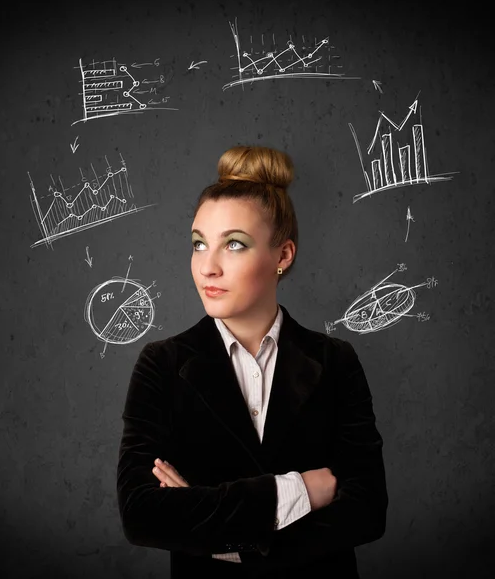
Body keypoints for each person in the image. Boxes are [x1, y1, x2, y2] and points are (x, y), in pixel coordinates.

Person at [116, 145, 388, 578]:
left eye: (234, 245)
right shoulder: (162, 365)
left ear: (282, 256)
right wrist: (297, 490)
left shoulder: (335, 361)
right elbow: (142, 513)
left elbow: (368, 509)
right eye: (198, 244)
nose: (208, 267)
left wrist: (222, 539)